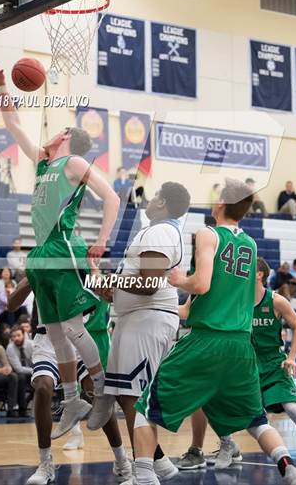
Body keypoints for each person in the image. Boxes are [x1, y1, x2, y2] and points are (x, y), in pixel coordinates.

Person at [124, 178, 296, 485]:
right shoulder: (250, 244)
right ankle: (291, 469)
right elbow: (225, 294)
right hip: (240, 346)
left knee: (143, 406)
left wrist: (180, 280)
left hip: (206, 340)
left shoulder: (207, 233)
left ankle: (143, 475)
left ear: (221, 203)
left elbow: (202, 284)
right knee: (256, 420)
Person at [0, 61, 120, 436]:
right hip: (43, 251)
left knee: (73, 327)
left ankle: (103, 389)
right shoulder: (44, 163)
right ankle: (73, 398)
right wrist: (1, 86)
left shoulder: (74, 163)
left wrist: (102, 240)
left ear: (67, 140)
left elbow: (112, 197)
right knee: (56, 327)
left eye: (60, 130)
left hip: (64, 247)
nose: (52, 132)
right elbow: (12, 124)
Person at [98, 182, 190, 482]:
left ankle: (144, 471)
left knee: (134, 397)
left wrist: (110, 283)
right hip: (138, 318)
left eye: (153, 197)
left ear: (162, 202)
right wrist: (105, 285)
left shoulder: (160, 232)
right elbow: (133, 285)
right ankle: (159, 463)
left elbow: (149, 286)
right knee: (128, 395)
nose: (148, 201)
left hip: (148, 318)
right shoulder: (158, 231)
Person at [10, 283, 132, 485]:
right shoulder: (39, 265)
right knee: (42, 387)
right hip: (46, 339)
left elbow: (104, 292)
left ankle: (121, 460)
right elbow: (12, 304)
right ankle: (45, 463)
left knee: (96, 394)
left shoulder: (78, 264)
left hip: (76, 335)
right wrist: (32, 279)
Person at [253, 257, 296, 447]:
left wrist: (292, 358)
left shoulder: (276, 300)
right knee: (234, 410)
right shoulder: (238, 302)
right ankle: (229, 445)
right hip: (248, 364)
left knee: (293, 409)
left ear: (259, 275)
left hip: (274, 362)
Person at [6, 325, 33, 417]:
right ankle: (22, 408)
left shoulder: (32, 344)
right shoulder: (10, 348)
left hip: (33, 371)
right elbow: (18, 369)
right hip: (21, 373)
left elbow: (38, 361)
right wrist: (34, 371)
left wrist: (37, 371)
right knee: (20, 377)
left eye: (18, 335)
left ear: (24, 335)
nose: (16, 338)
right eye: (13, 336)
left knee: (42, 378)